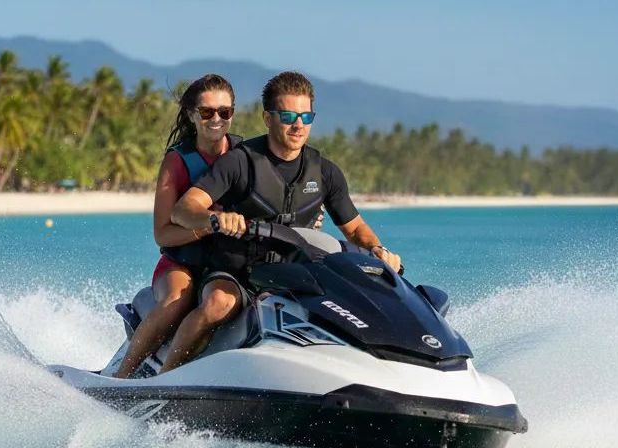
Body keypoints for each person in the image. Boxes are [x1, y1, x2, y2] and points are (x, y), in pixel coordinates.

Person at [162, 71, 402, 372]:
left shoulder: (325, 172)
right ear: (268, 118)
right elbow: (183, 210)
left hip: (294, 275)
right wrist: (218, 218)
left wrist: (378, 250)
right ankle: (165, 378)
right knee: (218, 304)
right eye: (288, 115)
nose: (298, 124)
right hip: (237, 273)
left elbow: (354, 229)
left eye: (306, 116)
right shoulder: (239, 161)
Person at [112, 74, 241, 378]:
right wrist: (208, 226)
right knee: (176, 302)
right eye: (207, 112)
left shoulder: (243, 155)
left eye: (225, 112)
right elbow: (162, 233)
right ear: (192, 115)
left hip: (226, 265)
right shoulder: (177, 161)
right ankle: (122, 379)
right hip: (180, 263)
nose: (216, 119)